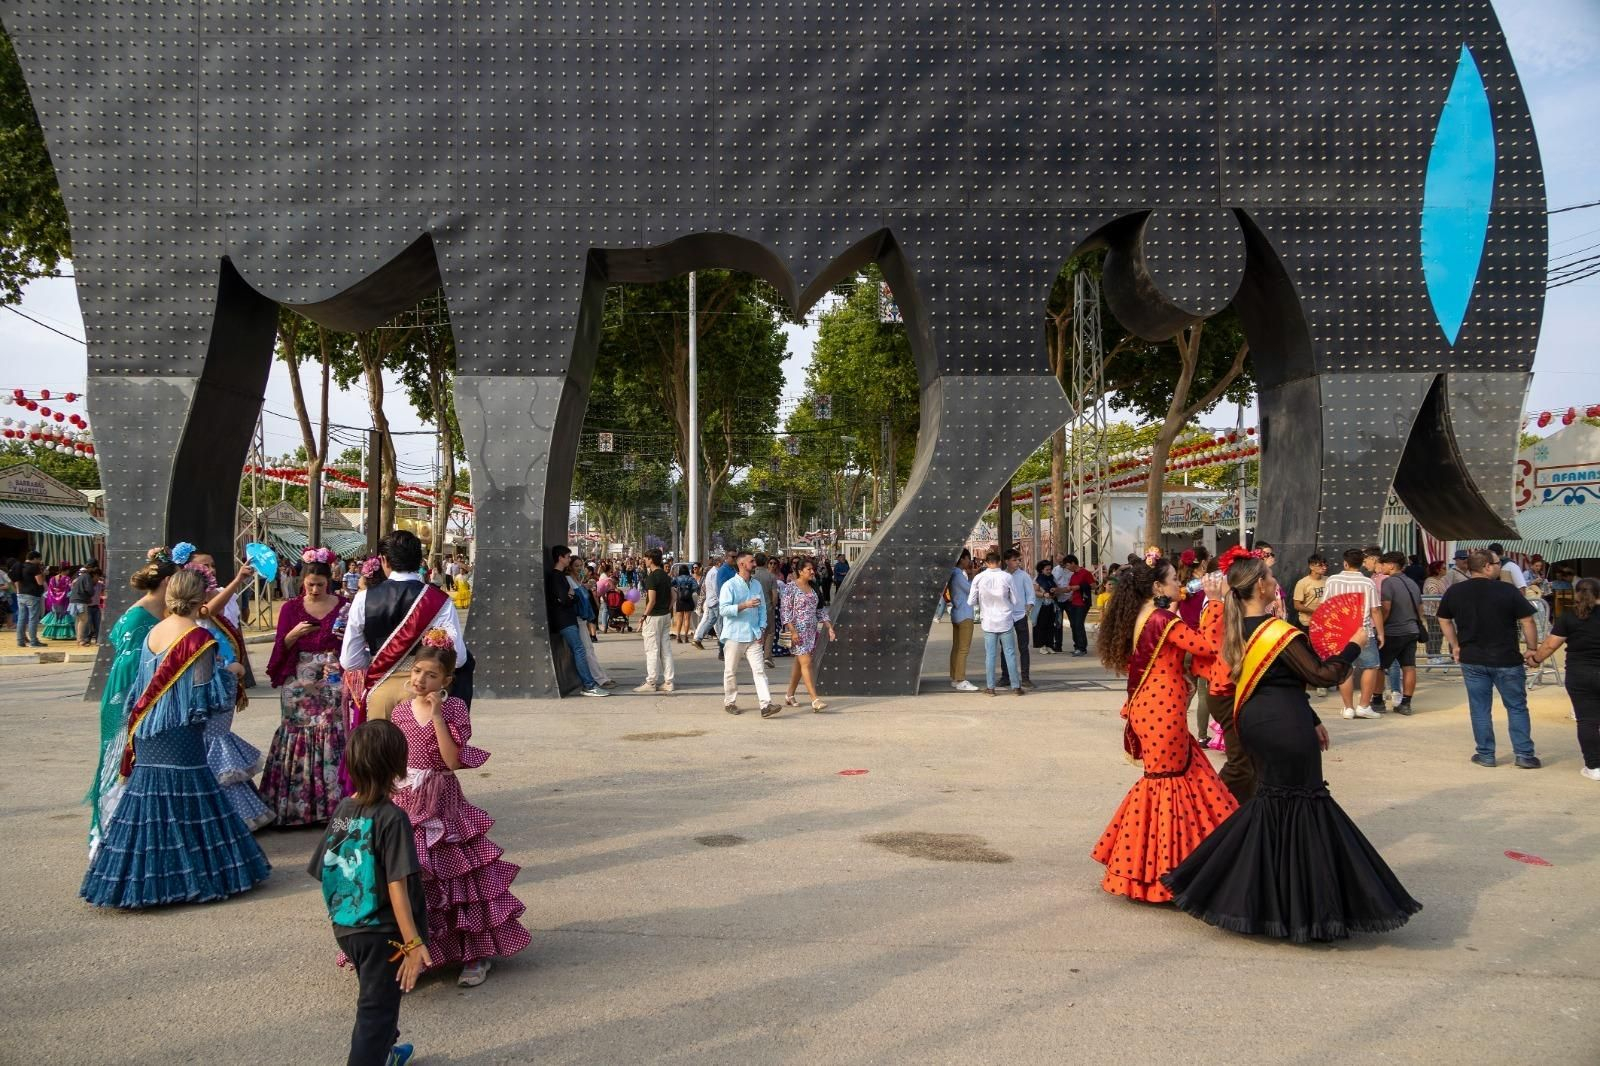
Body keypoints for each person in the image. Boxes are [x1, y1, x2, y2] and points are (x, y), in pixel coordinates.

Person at [1160, 555, 1422, 941]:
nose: (1272, 579)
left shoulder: (1239, 626)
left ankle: (1241, 889)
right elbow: (1320, 675)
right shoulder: (1277, 631)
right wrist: (1353, 645)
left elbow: (1283, 680)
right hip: (1284, 726)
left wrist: (1312, 719)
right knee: (1302, 805)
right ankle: (1298, 906)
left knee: (1271, 804)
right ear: (1262, 587)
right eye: (1268, 575)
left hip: (1260, 721)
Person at [80, 568, 272, 908]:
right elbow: (205, 696)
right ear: (200, 600)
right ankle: (195, 873)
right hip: (181, 730)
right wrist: (233, 673)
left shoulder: (154, 631)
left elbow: (141, 686)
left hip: (148, 728)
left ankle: (141, 876)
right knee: (190, 794)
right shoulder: (200, 639)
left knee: (147, 799)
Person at [383, 635, 530, 987]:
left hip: (443, 798)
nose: (421, 680)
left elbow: (452, 760)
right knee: (411, 874)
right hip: (404, 800)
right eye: (417, 671)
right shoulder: (400, 710)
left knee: (456, 874)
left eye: (431, 675)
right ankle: (415, 949)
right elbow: (393, 758)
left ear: (447, 681)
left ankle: (473, 954)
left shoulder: (454, 710)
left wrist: (436, 716)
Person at [1090, 560, 1239, 903]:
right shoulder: (1162, 620)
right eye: (1173, 579)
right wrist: (1214, 602)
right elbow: (1207, 647)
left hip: (1149, 706)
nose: (1179, 583)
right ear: (1157, 587)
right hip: (1163, 710)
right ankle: (1165, 875)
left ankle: (1166, 865)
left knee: (1177, 779)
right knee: (1166, 786)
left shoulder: (1140, 617)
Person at [309, 719, 428, 1066]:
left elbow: (324, 868)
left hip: (347, 928)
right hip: (384, 935)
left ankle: (388, 1053)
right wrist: (413, 942)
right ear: (397, 765)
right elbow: (397, 885)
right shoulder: (392, 818)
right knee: (375, 1011)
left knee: (381, 997)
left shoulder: (344, 810)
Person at [87, 548, 177, 857]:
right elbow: (130, 667)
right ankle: (114, 835)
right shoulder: (141, 617)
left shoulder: (155, 614)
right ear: (167, 583)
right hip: (126, 700)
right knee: (122, 764)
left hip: (141, 699)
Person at [263, 548, 350, 826]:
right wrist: (292, 635)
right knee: (296, 732)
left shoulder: (344, 605)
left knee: (333, 732)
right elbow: (280, 647)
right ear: (302, 582)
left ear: (330, 582)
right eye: (310, 584)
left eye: (320, 585)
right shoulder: (290, 608)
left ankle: (332, 805)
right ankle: (295, 807)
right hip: (298, 680)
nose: (314, 589)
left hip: (332, 677)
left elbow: (353, 643)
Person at [344, 531, 474, 714]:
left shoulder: (363, 599)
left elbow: (350, 660)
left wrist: (376, 659)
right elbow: (459, 659)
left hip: (380, 691)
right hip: (423, 694)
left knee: (380, 743)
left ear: (384, 560)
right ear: (419, 560)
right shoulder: (438, 600)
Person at [1436, 550, 1541, 769]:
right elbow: (1528, 620)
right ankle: (1524, 754)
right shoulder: (1507, 590)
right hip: (1506, 657)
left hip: (1472, 657)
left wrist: (1455, 645)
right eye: (1496, 563)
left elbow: (1443, 619)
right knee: (1516, 707)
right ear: (1486, 566)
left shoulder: (1455, 591)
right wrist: (1532, 648)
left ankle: (1485, 754)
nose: (1498, 567)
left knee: (1480, 708)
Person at [1527, 577, 1600, 781]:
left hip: (1580, 674)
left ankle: (1594, 766)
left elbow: (1550, 645)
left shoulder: (1569, 617)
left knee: (1587, 720)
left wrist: (1534, 659)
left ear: (1577, 593)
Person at [1324, 548, 1382, 719]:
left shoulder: (1332, 581)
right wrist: (1380, 633)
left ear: (1345, 563)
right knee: (1370, 666)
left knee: (1344, 667)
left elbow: (1325, 605)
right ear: (1361, 564)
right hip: (1363, 631)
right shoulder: (1367, 583)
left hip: (1339, 631)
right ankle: (1364, 705)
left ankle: (1348, 708)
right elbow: (1375, 610)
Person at [718, 550, 775, 716]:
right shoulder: (730, 585)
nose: (755, 564)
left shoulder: (756, 584)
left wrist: (763, 627)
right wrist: (744, 605)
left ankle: (766, 705)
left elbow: (763, 607)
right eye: (752, 561)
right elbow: (723, 610)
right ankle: (730, 702)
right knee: (730, 671)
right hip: (734, 635)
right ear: (742, 564)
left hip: (754, 635)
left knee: (759, 671)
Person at [780, 558, 836, 711]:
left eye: (813, 569)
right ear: (800, 571)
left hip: (811, 632)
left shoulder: (813, 587)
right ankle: (814, 699)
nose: (812, 572)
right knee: (806, 663)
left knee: (800, 664)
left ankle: (789, 695)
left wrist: (829, 627)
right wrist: (792, 631)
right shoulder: (790, 588)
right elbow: (785, 612)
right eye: (809, 569)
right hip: (797, 633)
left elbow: (820, 610)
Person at [968, 551, 1022, 697]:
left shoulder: (979, 577)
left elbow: (971, 600)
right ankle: (1016, 686)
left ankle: (990, 688)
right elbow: (1016, 600)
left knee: (990, 655)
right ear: (999, 562)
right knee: (1010, 653)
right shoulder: (1007, 577)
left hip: (989, 621)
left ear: (986, 563)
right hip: (1005, 620)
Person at [1375, 551, 1423, 715]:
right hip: (1412, 630)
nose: (1381, 566)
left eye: (1383, 563)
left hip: (1393, 631)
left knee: (1379, 666)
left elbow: (1386, 608)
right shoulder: (1412, 583)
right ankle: (1406, 703)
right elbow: (1420, 609)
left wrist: (1380, 626)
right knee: (1409, 667)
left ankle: (1377, 701)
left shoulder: (1389, 582)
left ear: (1392, 565)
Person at [635, 548, 676, 694]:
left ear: (651, 559)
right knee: (666, 650)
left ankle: (651, 682)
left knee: (652, 650)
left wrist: (644, 616)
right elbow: (674, 595)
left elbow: (651, 600)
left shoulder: (652, 577)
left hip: (653, 617)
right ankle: (668, 682)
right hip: (665, 615)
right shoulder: (666, 576)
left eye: (645, 558)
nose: (644, 560)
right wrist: (667, 608)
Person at [996, 549, 1034, 690]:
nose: (1018, 562)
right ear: (1006, 561)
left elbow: (1030, 595)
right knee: (1005, 647)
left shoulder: (1024, 576)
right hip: (1005, 616)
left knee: (1023, 647)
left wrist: (1027, 609)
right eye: (1014, 560)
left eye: (1019, 560)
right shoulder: (1001, 576)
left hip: (1020, 615)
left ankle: (1025, 677)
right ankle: (1006, 676)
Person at [946, 550, 978, 691]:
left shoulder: (953, 573)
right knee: (963, 649)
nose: (969, 562)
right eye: (968, 559)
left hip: (957, 613)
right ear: (963, 559)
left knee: (957, 647)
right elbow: (971, 591)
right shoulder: (958, 575)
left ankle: (954, 677)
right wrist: (975, 577)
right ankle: (960, 679)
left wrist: (970, 575)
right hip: (965, 615)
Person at [692, 549, 735, 650]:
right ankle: (722, 644)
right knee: (719, 623)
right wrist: (722, 600)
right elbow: (717, 588)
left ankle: (698, 638)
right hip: (716, 601)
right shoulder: (715, 573)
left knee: (710, 621)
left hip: (711, 600)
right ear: (718, 563)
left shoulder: (712, 572)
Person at [1061, 555, 1095, 656]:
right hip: (1074, 602)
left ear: (1073, 563)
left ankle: (1082, 647)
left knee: (1079, 624)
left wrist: (1079, 587)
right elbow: (1070, 588)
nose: (1067, 568)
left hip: (1083, 603)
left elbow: (1093, 585)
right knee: (1074, 625)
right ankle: (1077, 646)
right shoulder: (1073, 575)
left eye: (1067, 565)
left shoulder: (1085, 573)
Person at [13, 550, 44, 648]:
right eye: (39, 559)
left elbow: (16, 580)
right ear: (34, 558)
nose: (39, 561)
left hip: (21, 594)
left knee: (21, 618)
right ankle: (34, 641)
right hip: (32, 595)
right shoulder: (34, 567)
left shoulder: (20, 566)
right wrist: (44, 573)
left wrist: (18, 591)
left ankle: (20, 641)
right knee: (33, 619)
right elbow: (40, 582)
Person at [1291, 554, 1328, 629]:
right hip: (1307, 623)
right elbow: (1297, 605)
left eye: (1326, 565)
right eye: (1320, 565)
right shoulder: (1302, 583)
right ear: (1311, 567)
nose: (1324, 568)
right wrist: (1316, 612)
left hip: (1324, 622)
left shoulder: (1328, 580)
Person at [40, 563, 75, 640]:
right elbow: (70, 589)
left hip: (54, 600)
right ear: (66, 570)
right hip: (64, 600)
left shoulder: (52, 578)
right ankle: (64, 635)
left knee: (55, 615)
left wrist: (54, 596)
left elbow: (50, 590)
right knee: (64, 615)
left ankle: (53, 634)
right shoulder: (67, 579)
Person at [1032, 560, 1060, 654]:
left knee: (1051, 626)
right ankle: (1042, 646)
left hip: (1051, 605)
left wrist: (1054, 591)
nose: (1049, 571)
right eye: (1047, 569)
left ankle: (1049, 645)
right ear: (1041, 570)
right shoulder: (1037, 579)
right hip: (1042, 606)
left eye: (1050, 569)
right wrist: (1043, 594)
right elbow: (1035, 592)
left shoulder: (1052, 578)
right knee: (1041, 626)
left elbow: (1057, 589)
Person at [671, 563, 698, 643]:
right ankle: (686, 637)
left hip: (680, 600)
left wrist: (677, 589)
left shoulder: (677, 578)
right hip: (688, 599)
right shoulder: (690, 578)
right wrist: (690, 591)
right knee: (687, 619)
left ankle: (678, 636)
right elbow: (696, 586)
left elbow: (671, 584)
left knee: (679, 619)